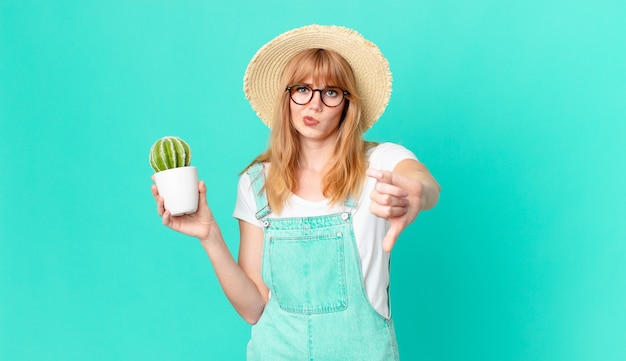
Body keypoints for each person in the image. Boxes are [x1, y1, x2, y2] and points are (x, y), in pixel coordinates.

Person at [152, 24, 440, 360]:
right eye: (302, 89)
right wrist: (210, 236)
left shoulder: (379, 163)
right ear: (287, 97)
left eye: (330, 92)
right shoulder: (257, 182)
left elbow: (420, 179)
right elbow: (253, 308)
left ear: (347, 104)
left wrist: (416, 192)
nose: (314, 105)